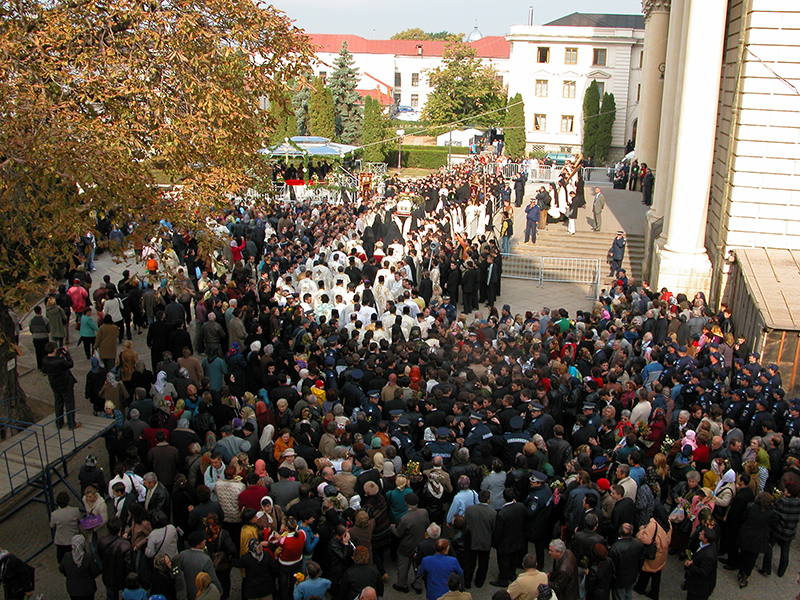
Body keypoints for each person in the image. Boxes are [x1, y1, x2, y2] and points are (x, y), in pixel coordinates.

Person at [490, 487, 529, 587]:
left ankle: (503, 580)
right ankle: (512, 575)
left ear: (503, 497)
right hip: (517, 539)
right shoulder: (521, 506)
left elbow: (499, 531)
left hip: (505, 542)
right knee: (513, 559)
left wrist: (495, 543)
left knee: (504, 562)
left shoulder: (502, 513)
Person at [633, 505, 672, 600]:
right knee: (656, 574)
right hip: (662, 553)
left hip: (653, 554)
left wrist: (641, 531)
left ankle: (640, 588)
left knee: (645, 572)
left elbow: (646, 539)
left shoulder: (653, 524)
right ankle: (654, 593)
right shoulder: (668, 523)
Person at [42, 341, 81, 429]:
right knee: (69, 403)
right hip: (65, 383)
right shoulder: (60, 361)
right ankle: (71, 423)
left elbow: (44, 370)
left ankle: (59, 423)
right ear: (55, 349)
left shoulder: (44, 360)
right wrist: (67, 354)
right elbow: (70, 364)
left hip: (54, 384)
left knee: (58, 402)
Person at [175, 531, 222, 600]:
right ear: (198, 545)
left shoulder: (183, 554)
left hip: (188, 589)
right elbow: (212, 578)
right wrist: (220, 590)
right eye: (203, 540)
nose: (205, 541)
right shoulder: (205, 559)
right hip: (201, 592)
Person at [464, 489, 496, 589]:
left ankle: (467, 581)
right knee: (483, 563)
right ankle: (479, 582)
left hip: (471, 540)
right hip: (485, 541)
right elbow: (493, 528)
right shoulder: (492, 513)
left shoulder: (469, 509)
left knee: (470, 562)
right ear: (488, 500)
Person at [97, 516, 133, 600]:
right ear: (120, 529)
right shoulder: (125, 545)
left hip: (109, 575)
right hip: (122, 577)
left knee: (111, 596)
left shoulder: (102, 541)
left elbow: (100, 555)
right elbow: (129, 565)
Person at [59, 534, 101, 600]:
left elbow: (61, 569)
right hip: (88, 590)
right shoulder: (87, 558)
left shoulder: (67, 556)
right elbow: (95, 572)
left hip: (73, 590)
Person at [683, 527, 717, 600]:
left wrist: (690, 565)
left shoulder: (709, 556)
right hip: (694, 583)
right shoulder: (706, 544)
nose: (699, 533)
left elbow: (704, 572)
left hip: (699, 589)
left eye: (702, 534)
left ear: (705, 539)